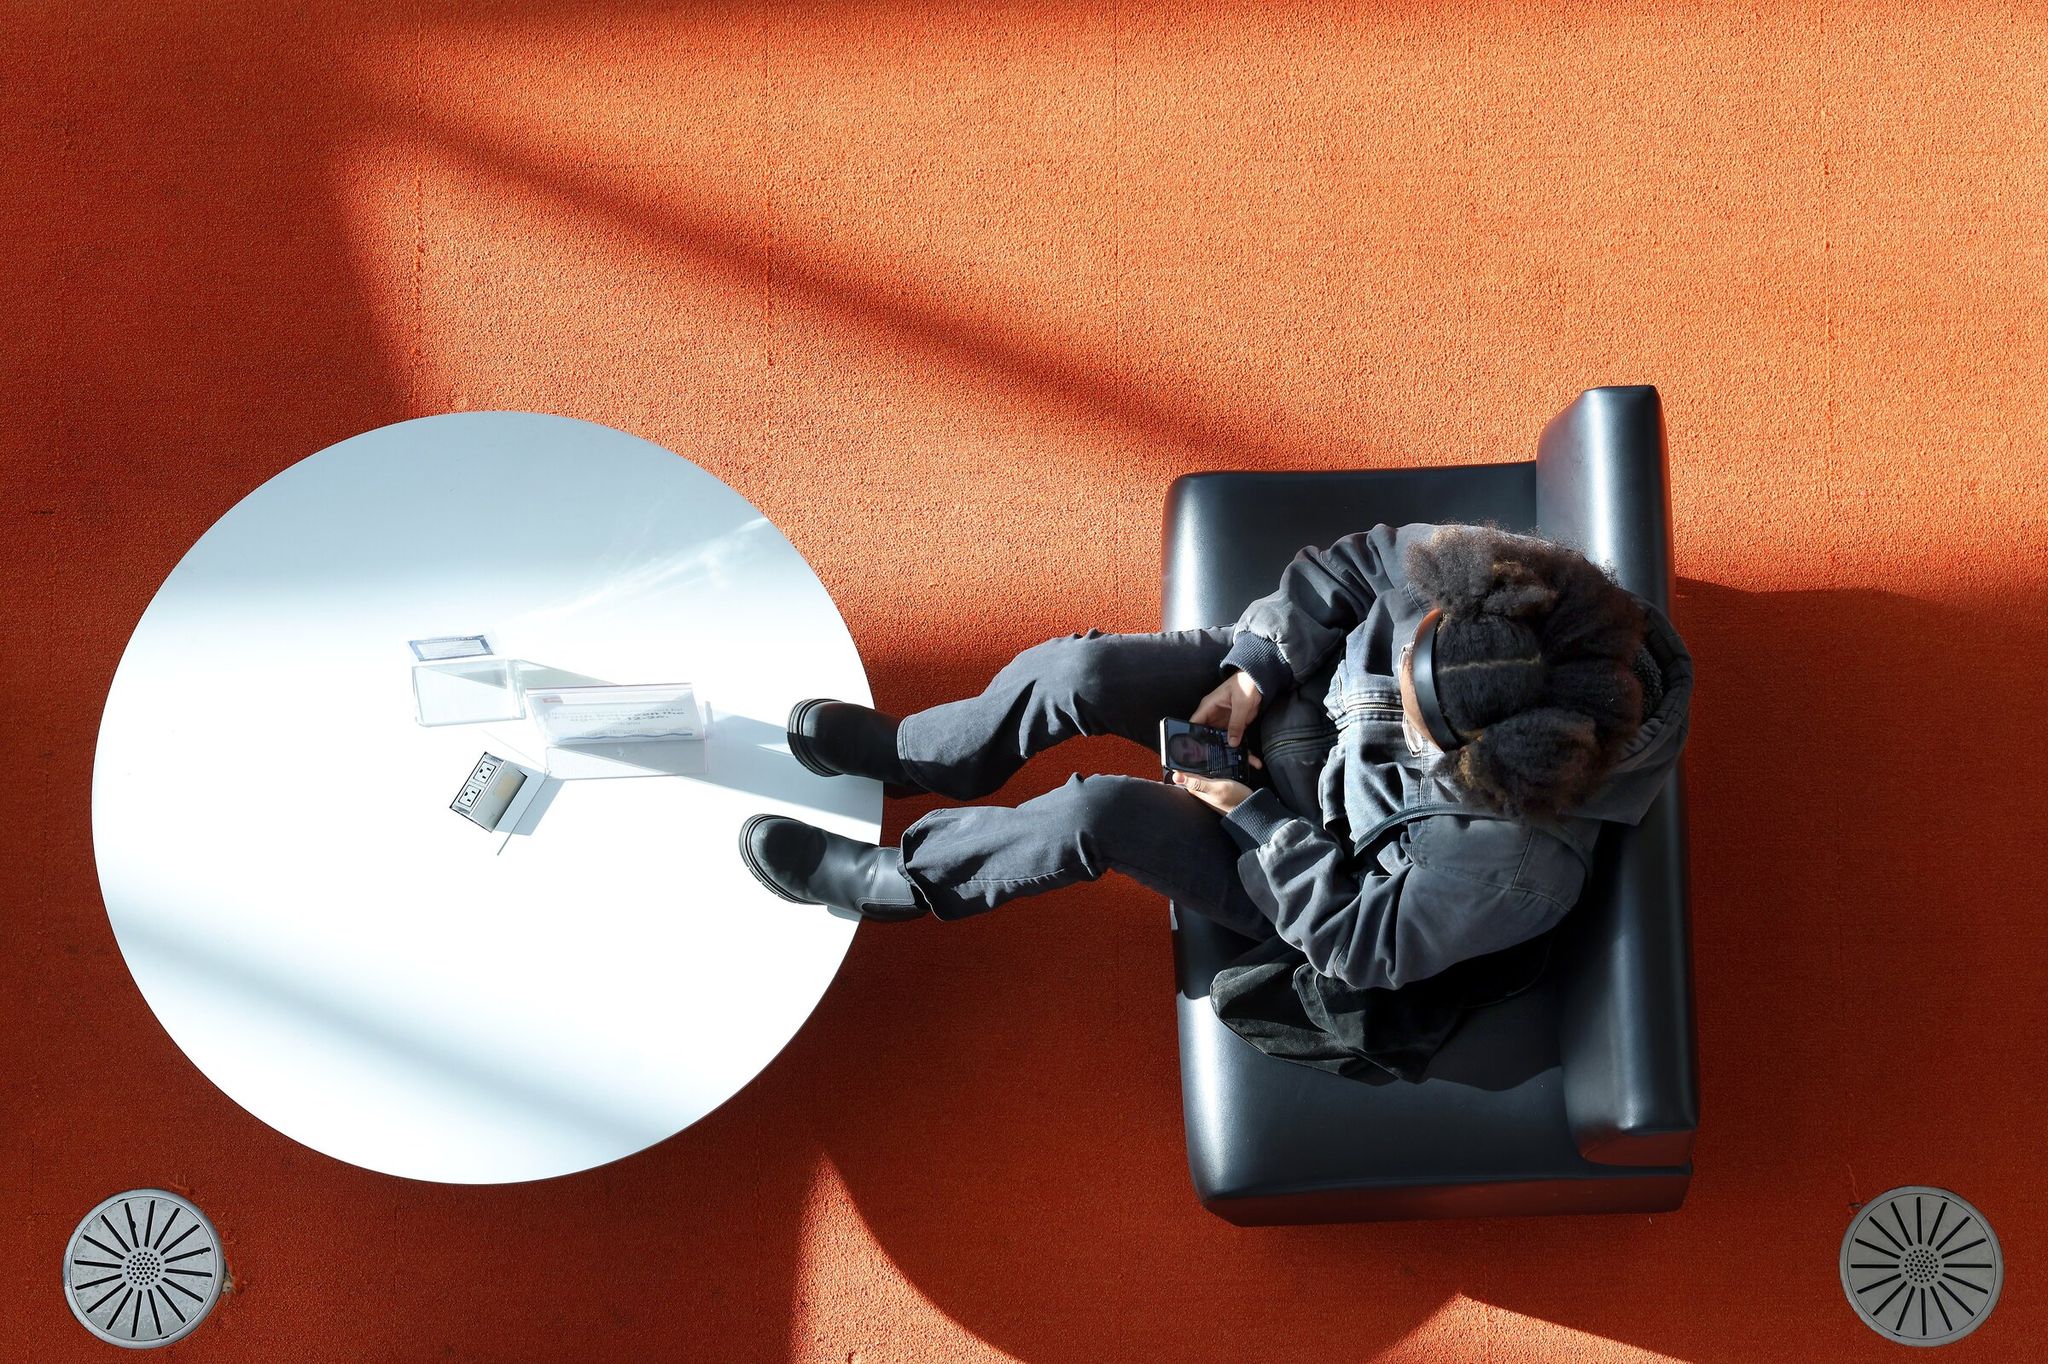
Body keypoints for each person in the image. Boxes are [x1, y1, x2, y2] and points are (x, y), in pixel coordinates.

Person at [738, 519, 1694, 1081]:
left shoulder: (1515, 864)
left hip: (1300, 863)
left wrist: (1246, 810)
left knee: (1093, 818)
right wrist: (1250, 671)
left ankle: (900, 883)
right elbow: (1355, 564)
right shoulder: (1509, 586)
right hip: (1277, 702)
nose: (1392, 698)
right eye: (1406, 658)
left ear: (1486, 765)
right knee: (1084, 669)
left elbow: (1362, 946)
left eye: (1412, 729)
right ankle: (922, 757)